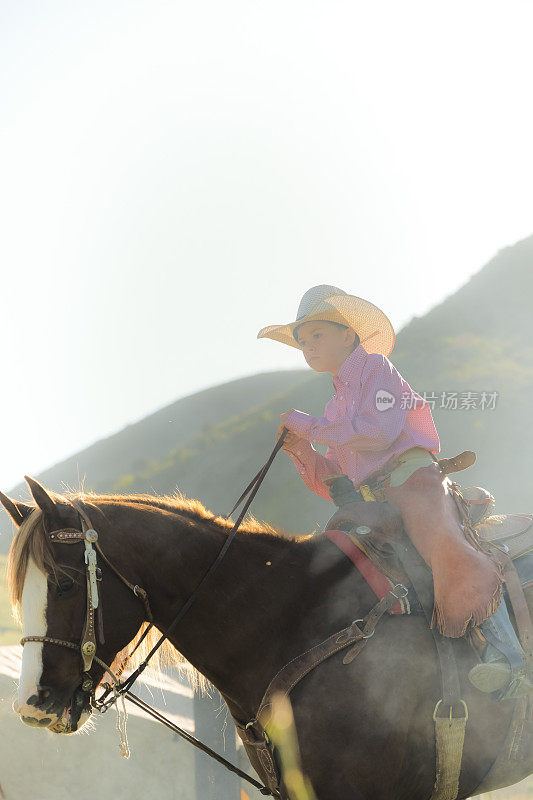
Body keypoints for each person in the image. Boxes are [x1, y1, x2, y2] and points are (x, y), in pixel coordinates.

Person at [257, 284, 531, 698]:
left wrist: (309, 426)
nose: (307, 345)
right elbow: (335, 478)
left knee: (444, 548)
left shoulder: (376, 369)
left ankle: (509, 662)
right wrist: (302, 450)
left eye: (316, 334)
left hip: (413, 479)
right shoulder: (334, 407)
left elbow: (377, 434)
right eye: (301, 340)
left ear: (348, 334)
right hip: (373, 499)